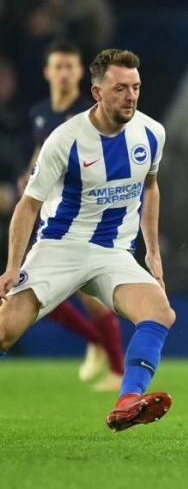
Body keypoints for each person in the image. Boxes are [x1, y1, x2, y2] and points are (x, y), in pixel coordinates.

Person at [0, 49, 175, 432]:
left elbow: (151, 187)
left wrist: (153, 252)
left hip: (113, 253)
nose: (130, 96)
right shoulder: (65, 140)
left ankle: (128, 399)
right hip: (60, 247)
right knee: (5, 332)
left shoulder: (152, 133)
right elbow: (28, 205)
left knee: (160, 311)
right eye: (120, 88)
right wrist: (13, 266)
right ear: (97, 92)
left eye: (135, 87)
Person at [22, 40, 125, 392]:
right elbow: (41, 152)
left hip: (82, 217)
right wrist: (27, 177)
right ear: (48, 72)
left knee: (88, 297)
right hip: (47, 214)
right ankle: (96, 343)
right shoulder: (39, 113)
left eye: (70, 66)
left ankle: (116, 368)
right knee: (36, 292)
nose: (64, 73)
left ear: (80, 72)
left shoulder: (89, 112)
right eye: (58, 67)